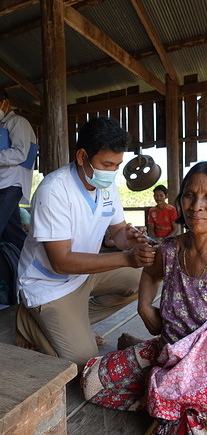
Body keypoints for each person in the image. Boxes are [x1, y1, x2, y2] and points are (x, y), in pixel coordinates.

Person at [81, 161, 207, 434]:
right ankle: (165, 397)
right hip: (167, 350)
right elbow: (150, 273)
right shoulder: (169, 249)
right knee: (92, 382)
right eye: (189, 195)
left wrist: (181, 377)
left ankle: (168, 400)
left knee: (200, 428)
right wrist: (144, 306)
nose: (196, 205)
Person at [16, 116, 157, 370]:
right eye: (106, 164)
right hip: (50, 285)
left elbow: (117, 233)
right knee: (85, 365)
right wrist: (127, 258)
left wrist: (131, 237)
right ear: (82, 157)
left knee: (141, 283)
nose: (112, 172)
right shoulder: (54, 190)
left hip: (84, 275)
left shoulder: (105, 186)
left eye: (117, 165)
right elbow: (60, 262)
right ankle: (29, 321)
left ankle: (73, 324)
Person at [0, 89, 37, 251]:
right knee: (12, 231)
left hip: (11, 183)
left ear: (5, 103)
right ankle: (29, 262)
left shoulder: (17, 122)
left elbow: (21, 153)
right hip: (3, 183)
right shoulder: (3, 124)